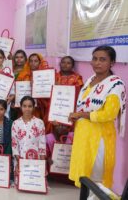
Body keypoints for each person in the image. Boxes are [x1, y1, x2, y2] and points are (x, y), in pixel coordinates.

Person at [68, 46, 126, 189]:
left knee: (97, 178)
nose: (97, 63)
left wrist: (81, 114)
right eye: (95, 59)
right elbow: (83, 105)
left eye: (103, 59)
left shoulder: (115, 85)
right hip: (83, 135)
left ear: (112, 62)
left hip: (99, 138)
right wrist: (75, 115)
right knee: (85, 175)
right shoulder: (90, 80)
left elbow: (109, 114)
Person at [46, 56, 83, 150]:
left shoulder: (77, 78)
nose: (65, 65)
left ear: (72, 65)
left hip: (69, 112)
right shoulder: (53, 76)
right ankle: (53, 160)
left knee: (69, 138)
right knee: (52, 137)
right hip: (55, 111)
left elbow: (79, 95)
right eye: (63, 62)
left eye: (68, 63)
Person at [12, 96, 46, 176]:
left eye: (30, 106)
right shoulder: (16, 123)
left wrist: (43, 165)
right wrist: (19, 162)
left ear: (34, 107)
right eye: (24, 106)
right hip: (20, 161)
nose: (27, 109)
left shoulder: (39, 123)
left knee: (35, 185)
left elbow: (42, 145)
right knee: (21, 184)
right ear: (21, 107)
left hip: (36, 161)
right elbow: (14, 145)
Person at [16, 53, 50, 131]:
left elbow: (47, 93)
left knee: (36, 129)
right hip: (24, 107)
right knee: (23, 129)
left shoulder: (45, 76)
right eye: (31, 61)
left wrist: (37, 87)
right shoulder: (23, 74)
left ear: (40, 62)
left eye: (36, 61)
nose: (33, 63)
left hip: (39, 108)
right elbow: (18, 91)